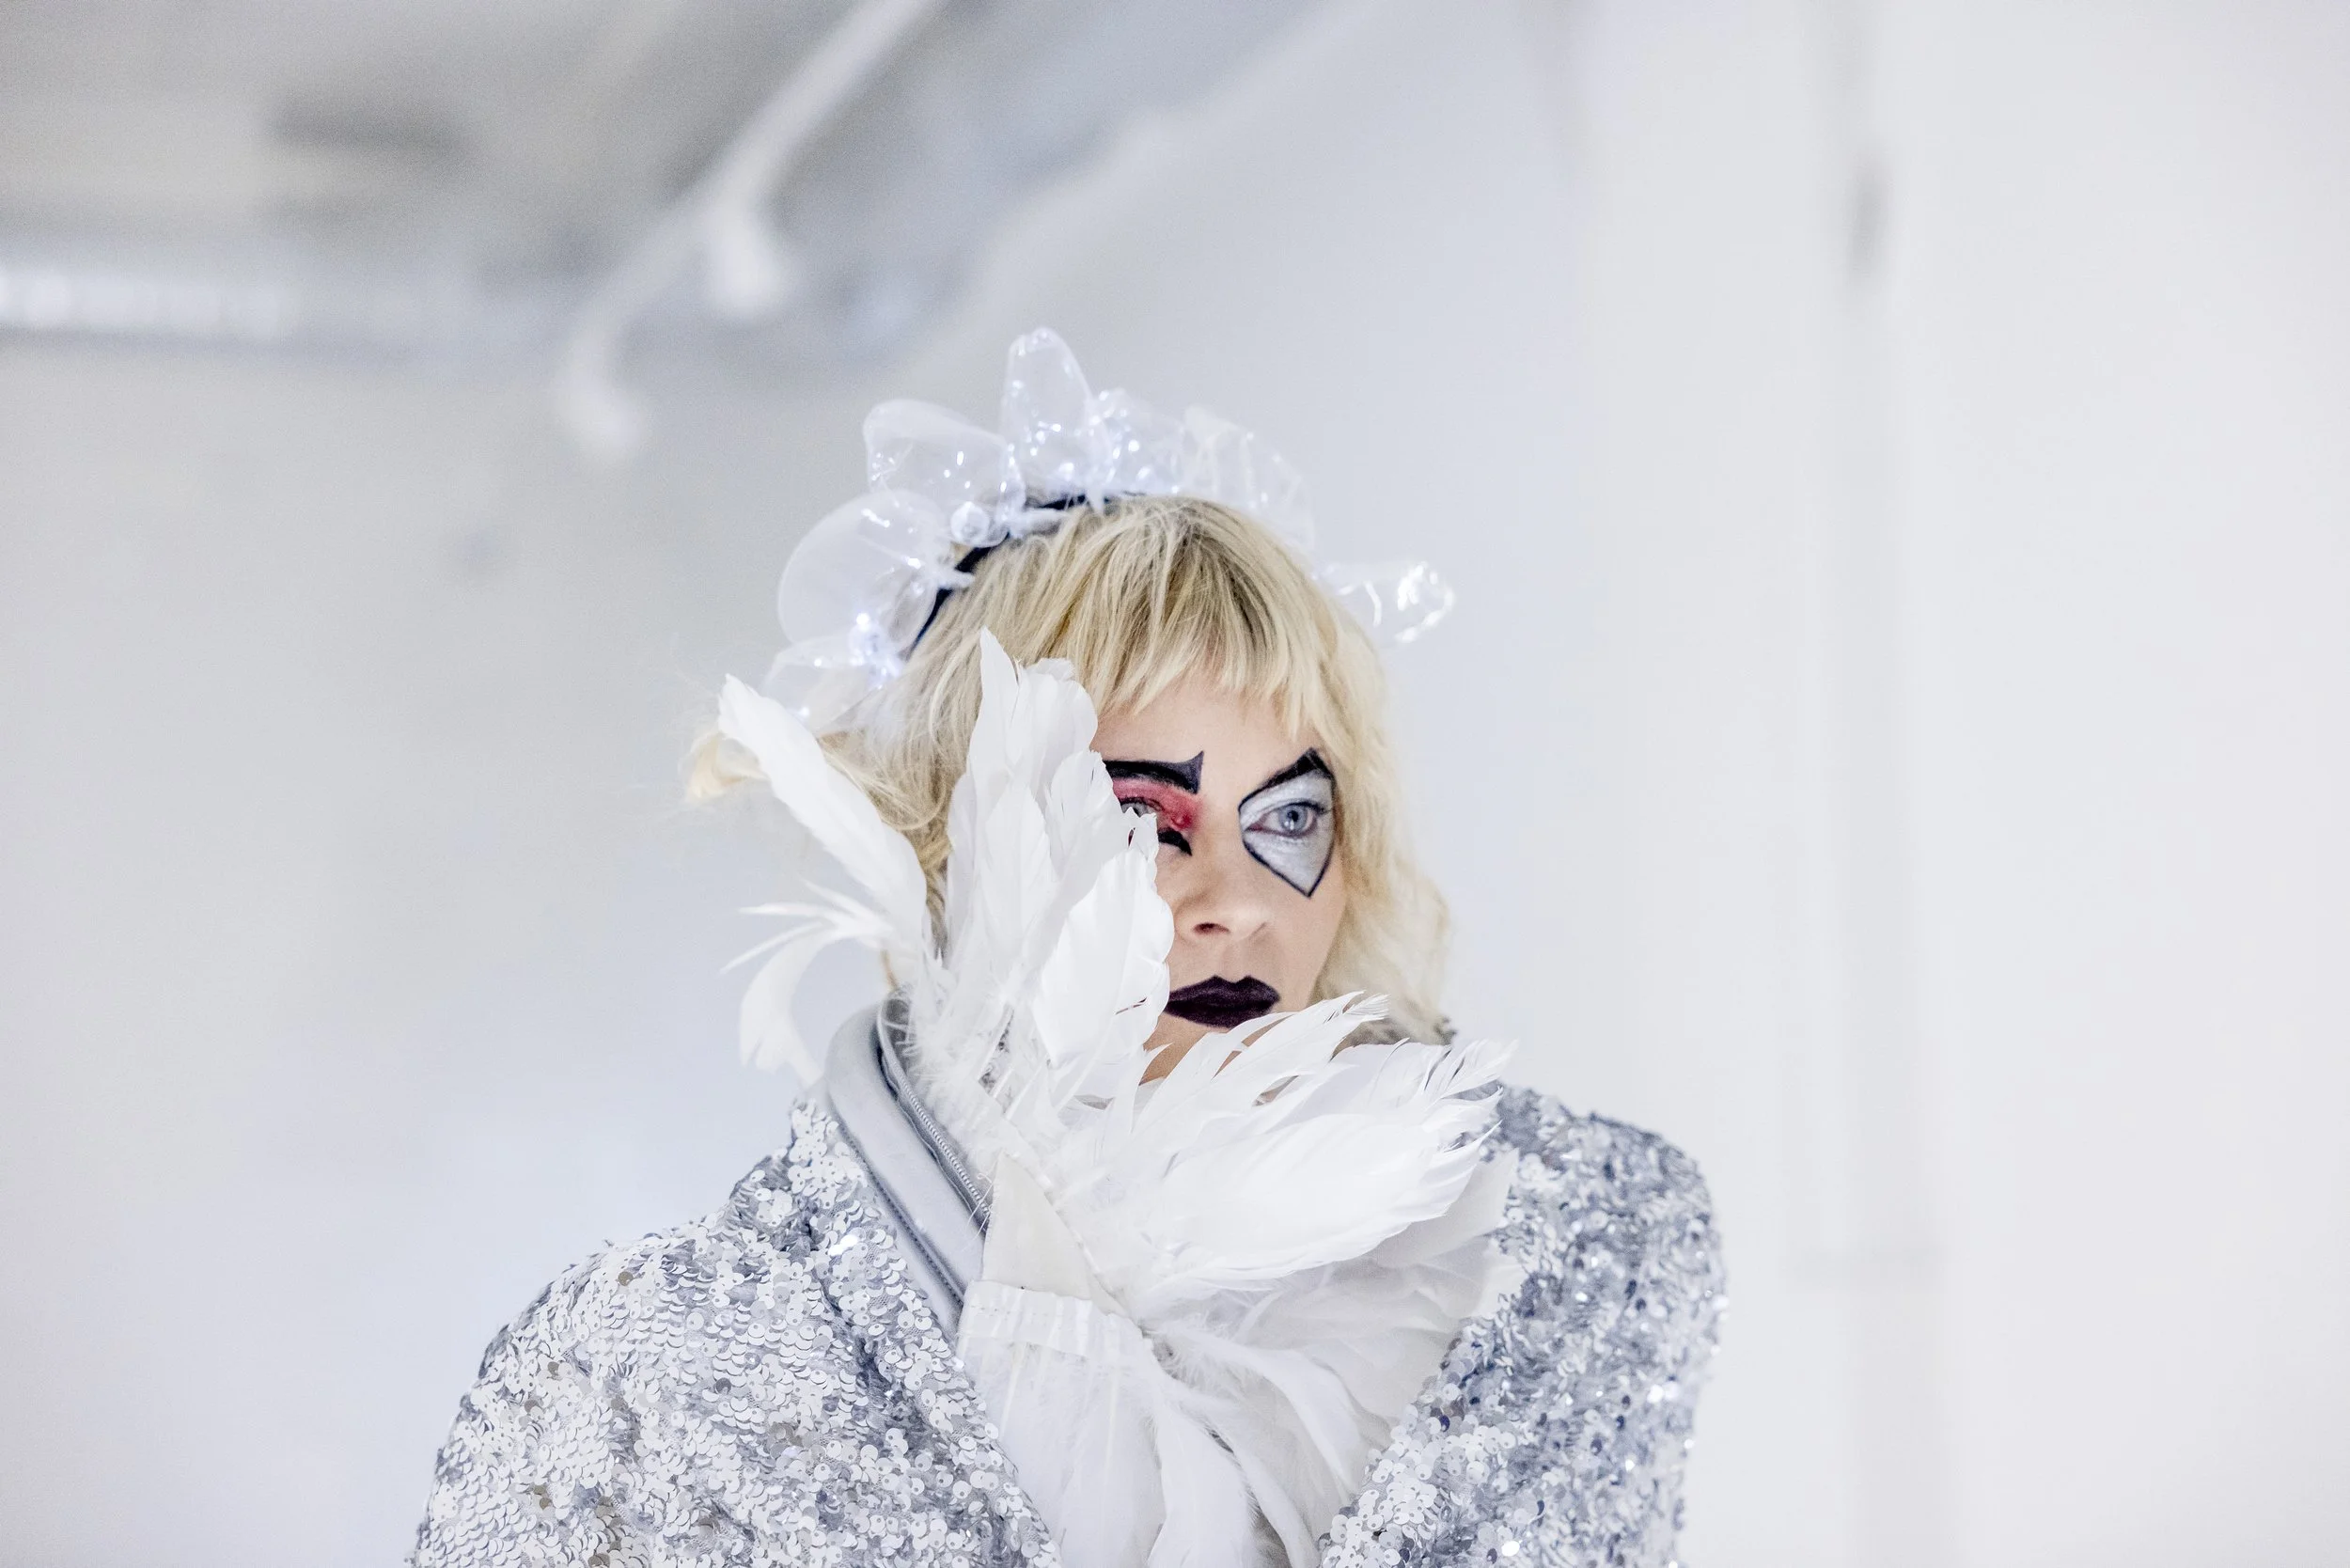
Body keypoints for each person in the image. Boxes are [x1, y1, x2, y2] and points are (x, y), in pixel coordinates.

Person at [411, 333, 1724, 1568]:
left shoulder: (1556, 1284)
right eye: (1138, 820)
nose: (1237, 902)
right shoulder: (668, 1377)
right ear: (949, 848)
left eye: (1292, 818)